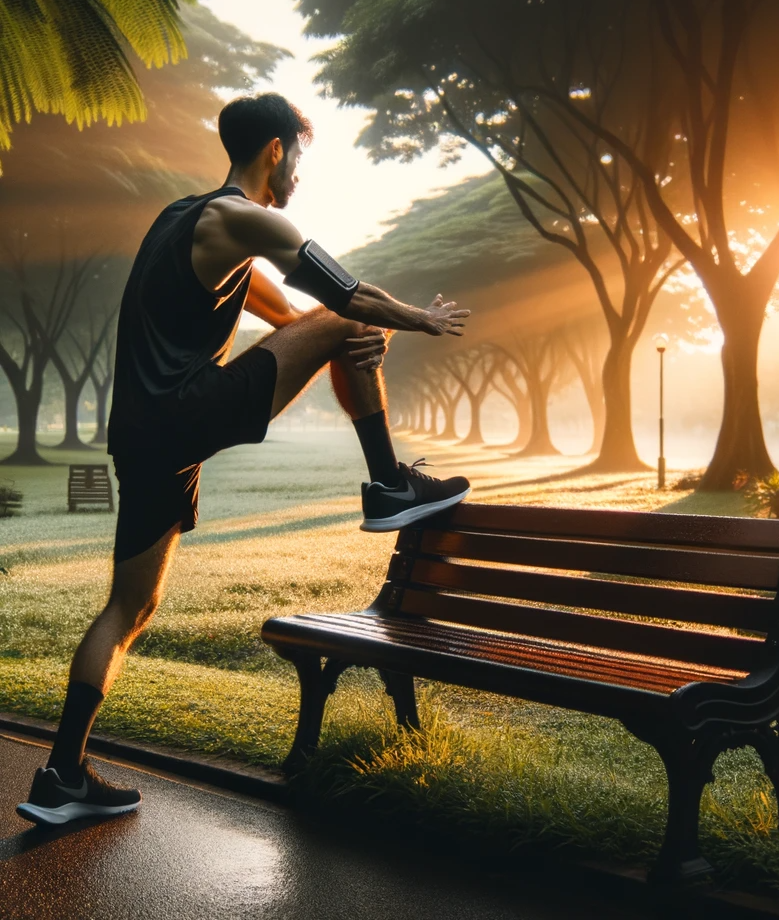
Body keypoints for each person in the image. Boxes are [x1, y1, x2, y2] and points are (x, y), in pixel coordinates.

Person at [17, 93, 471, 826]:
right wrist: (419, 318)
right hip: (182, 412)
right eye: (299, 157)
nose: (298, 175)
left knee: (129, 608)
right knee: (341, 318)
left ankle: (61, 774)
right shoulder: (247, 215)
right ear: (275, 150)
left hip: (139, 436)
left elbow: (297, 321)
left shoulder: (187, 221)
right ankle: (389, 485)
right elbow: (343, 294)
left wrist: (349, 341)